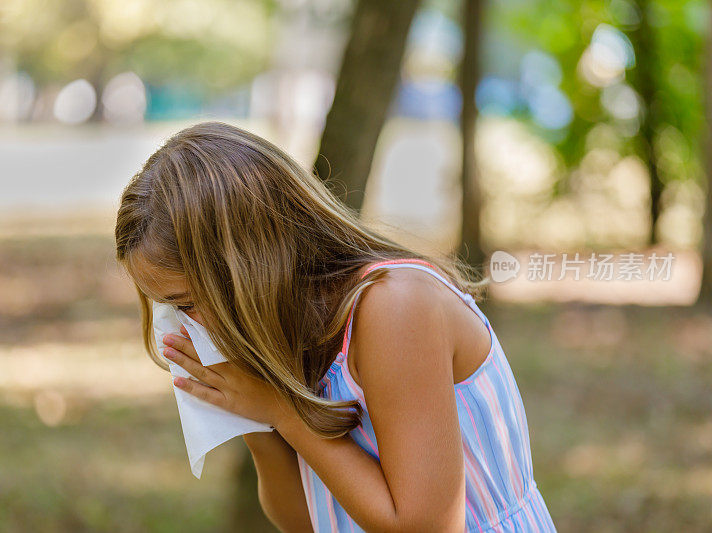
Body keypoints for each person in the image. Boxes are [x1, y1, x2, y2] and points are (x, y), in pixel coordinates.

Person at [115, 121, 557, 532]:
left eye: (188, 303)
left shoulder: (395, 307)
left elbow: (426, 526)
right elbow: (304, 521)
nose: (187, 324)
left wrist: (282, 411)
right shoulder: (287, 333)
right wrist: (251, 416)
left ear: (250, 269)